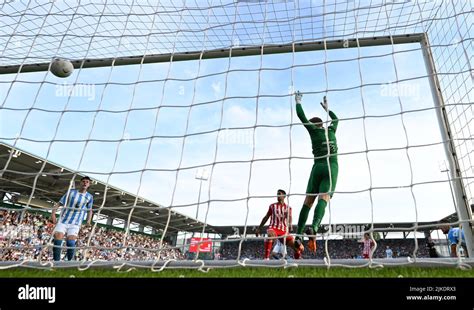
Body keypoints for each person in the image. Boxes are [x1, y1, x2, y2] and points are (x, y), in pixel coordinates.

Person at [294, 91, 339, 254]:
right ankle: (314, 227)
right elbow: (336, 119)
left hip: (317, 167)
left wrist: (298, 101)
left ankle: (298, 235)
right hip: (331, 167)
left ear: (314, 126)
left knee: (308, 201)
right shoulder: (332, 131)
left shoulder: (313, 131)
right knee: (324, 198)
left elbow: (301, 117)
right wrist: (327, 109)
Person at [51, 176, 94, 261]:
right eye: (84, 181)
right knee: (57, 239)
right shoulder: (70, 192)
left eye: (87, 182)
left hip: (75, 223)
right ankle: (56, 262)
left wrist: (88, 221)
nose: (85, 183)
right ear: (80, 183)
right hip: (63, 220)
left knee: (70, 242)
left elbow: (90, 210)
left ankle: (70, 261)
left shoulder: (89, 197)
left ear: (89, 184)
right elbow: (59, 203)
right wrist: (53, 214)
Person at [256, 189, 302, 259]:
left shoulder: (288, 208)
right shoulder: (272, 206)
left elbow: (290, 217)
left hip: (283, 231)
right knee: (270, 234)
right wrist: (259, 228)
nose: (278, 195)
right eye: (277, 194)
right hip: (273, 228)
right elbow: (266, 217)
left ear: (284, 196)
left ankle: (297, 262)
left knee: (299, 248)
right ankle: (266, 258)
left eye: (279, 194)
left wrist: (290, 224)